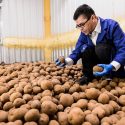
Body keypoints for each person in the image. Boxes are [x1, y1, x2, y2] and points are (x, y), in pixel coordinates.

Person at [55, 4, 125, 84]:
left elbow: (123, 48)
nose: (81, 29)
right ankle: (88, 76)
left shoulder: (112, 26)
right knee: (85, 48)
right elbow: (78, 49)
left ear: (93, 18)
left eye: (82, 25)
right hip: (97, 69)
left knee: (100, 48)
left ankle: (111, 76)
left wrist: (112, 66)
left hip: (113, 67)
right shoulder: (85, 32)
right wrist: (66, 61)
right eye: (78, 26)